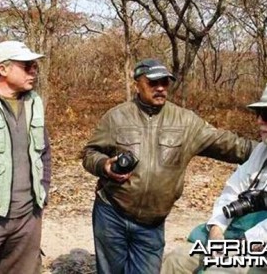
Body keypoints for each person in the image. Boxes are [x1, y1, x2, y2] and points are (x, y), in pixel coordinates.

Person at [82, 58, 257, 274]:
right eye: (153, 83)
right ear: (137, 83)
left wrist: (263, 150)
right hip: (112, 213)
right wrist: (104, 165)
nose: (160, 88)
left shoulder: (186, 121)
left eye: (165, 82)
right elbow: (90, 153)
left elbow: (231, 145)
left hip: (152, 223)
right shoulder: (116, 117)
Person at [162, 85, 267, 274]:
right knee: (175, 262)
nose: (259, 121)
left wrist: (235, 248)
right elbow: (232, 192)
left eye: (266, 115)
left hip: (258, 248)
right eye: (258, 113)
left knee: (218, 271)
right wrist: (217, 230)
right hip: (236, 237)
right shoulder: (261, 151)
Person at [0, 40, 51, 274]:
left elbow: (44, 151)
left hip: (27, 217)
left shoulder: (34, 101)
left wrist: (42, 193)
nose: (34, 70)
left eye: (34, 65)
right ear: (3, 69)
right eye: (27, 66)